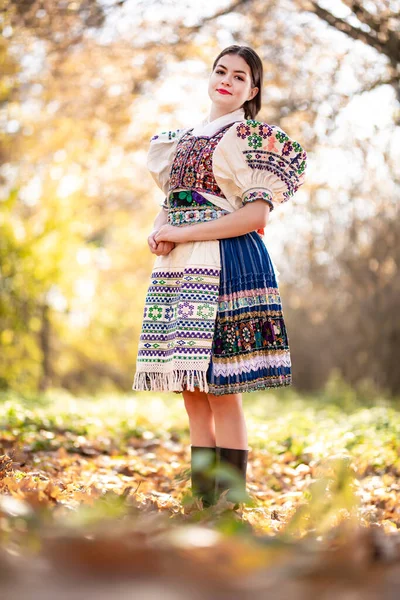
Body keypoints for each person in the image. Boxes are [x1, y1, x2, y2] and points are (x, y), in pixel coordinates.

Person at [132, 45, 307, 510]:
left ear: (253, 90)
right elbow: (171, 204)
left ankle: (230, 500)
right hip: (181, 267)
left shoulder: (250, 139)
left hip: (227, 261)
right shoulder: (180, 140)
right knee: (191, 389)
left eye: (239, 76)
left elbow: (251, 216)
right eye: (220, 71)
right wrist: (159, 233)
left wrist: (183, 229)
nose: (226, 80)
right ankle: (201, 500)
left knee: (221, 388)